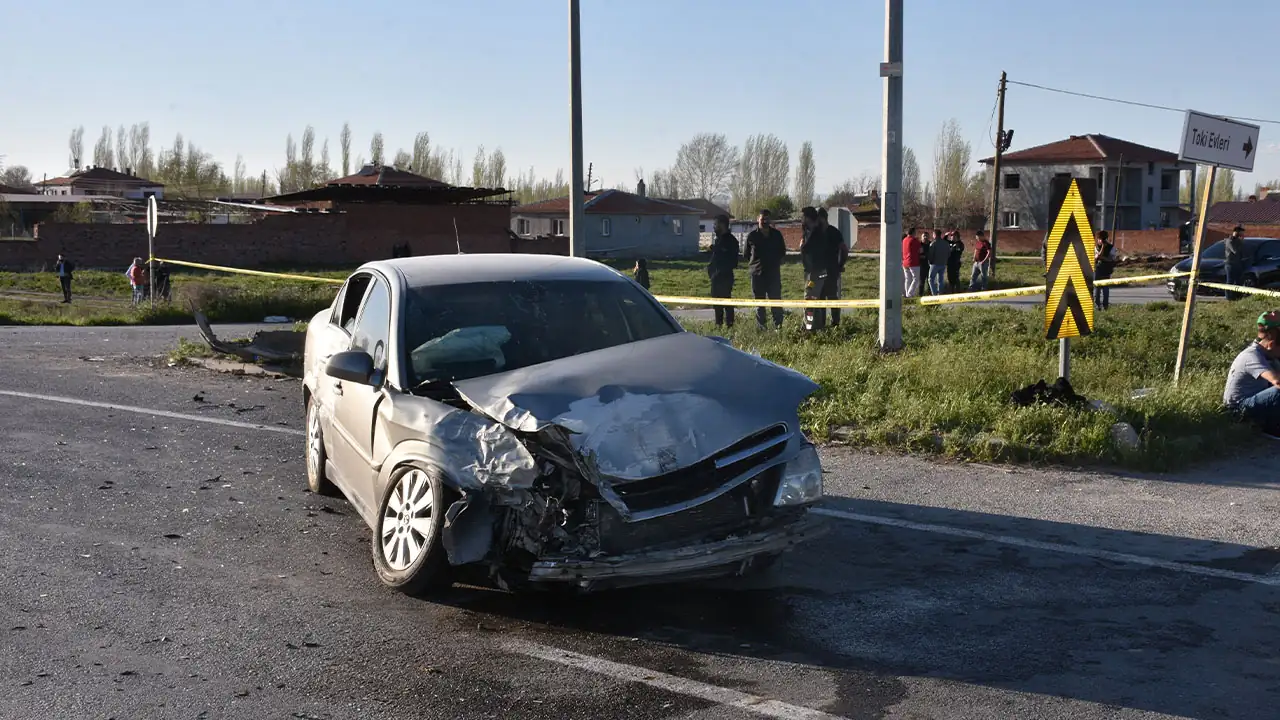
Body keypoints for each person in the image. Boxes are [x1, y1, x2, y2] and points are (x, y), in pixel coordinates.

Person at [1223, 311, 1280, 436]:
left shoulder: (1269, 355)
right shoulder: (1252, 356)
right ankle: (1271, 428)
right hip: (1238, 409)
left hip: (1255, 400)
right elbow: (1277, 381)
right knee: (1278, 391)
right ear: (1271, 344)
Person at [742, 208, 787, 329]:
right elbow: (746, 255)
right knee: (759, 304)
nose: (765, 221)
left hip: (773, 275)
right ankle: (762, 329)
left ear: (770, 220)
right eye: (762, 219)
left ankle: (778, 327)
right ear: (758, 220)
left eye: (767, 219)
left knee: (776, 302)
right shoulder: (752, 236)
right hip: (757, 275)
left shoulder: (777, 235)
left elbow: (782, 252)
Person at [809, 207, 846, 329]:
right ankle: (822, 324)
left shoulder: (833, 232)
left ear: (823, 218)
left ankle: (835, 324)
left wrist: (840, 265)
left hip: (830, 271)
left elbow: (843, 249)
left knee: (831, 297)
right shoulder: (816, 233)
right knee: (820, 298)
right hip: (818, 271)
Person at [707, 214, 739, 327]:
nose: (714, 227)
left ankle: (730, 325)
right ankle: (718, 326)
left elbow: (733, 261)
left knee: (726, 302)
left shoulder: (731, 241)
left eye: (716, 224)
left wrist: (719, 250)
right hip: (715, 277)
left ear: (722, 225)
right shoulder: (718, 240)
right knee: (717, 304)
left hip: (725, 277)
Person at [1093, 230, 1117, 310]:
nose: (1100, 241)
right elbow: (1096, 257)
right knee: (1097, 288)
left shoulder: (1111, 247)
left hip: (1106, 269)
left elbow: (1112, 259)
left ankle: (1105, 305)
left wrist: (1102, 256)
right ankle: (1098, 305)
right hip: (1098, 269)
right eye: (1099, 239)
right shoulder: (1096, 247)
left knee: (1105, 288)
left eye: (1101, 239)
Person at [927, 229, 951, 296]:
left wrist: (930, 262)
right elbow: (949, 253)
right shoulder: (946, 243)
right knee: (940, 280)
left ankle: (934, 293)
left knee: (931, 279)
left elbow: (930, 254)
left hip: (934, 264)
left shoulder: (933, 243)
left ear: (934, 235)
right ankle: (940, 293)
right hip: (943, 263)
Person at [1225, 225, 1246, 302]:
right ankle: (1229, 298)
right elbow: (1235, 251)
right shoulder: (1230, 241)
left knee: (1239, 281)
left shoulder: (1238, 241)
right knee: (1230, 281)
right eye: (1241, 232)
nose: (1242, 234)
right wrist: (1241, 242)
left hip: (1238, 264)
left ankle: (1238, 297)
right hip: (1230, 264)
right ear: (1236, 232)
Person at [902, 228, 922, 298]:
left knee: (908, 279)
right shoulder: (914, 240)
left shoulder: (904, 240)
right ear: (913, 232)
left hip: (905, 262)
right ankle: (910, 294)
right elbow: (921, 250)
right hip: (913, 262)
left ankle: (907, 293)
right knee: (916, 278)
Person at [918, 231, 931, 296]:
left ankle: (930, 294)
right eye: (924, 236)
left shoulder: (931, 244)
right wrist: (920, 256)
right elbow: (915, 254)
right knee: (921, 281)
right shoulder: (919, 244)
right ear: (921, 237)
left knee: (930, 281)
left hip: (930, 265)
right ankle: (920, 295)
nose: (925, 237)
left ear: (929, 237)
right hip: (922, 265)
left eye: (926, 236)